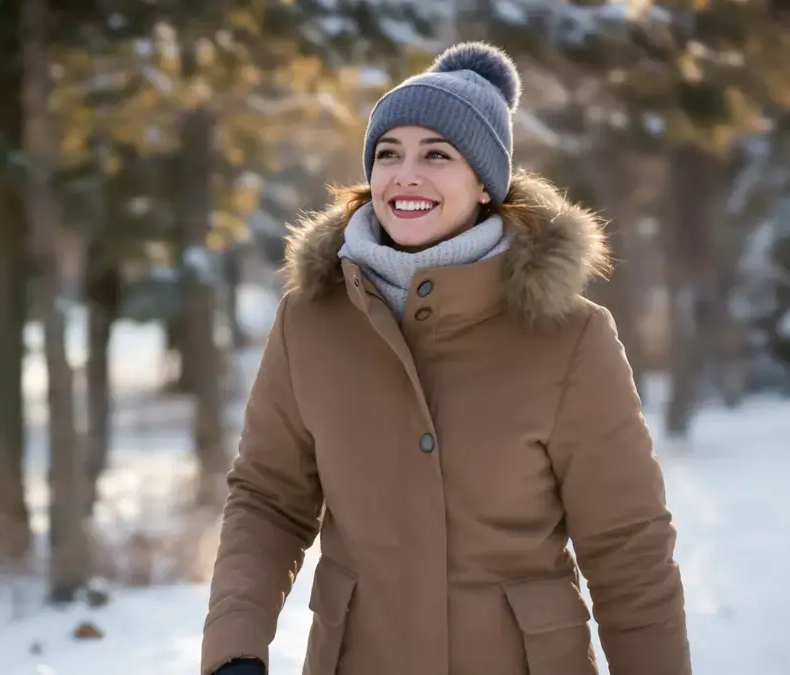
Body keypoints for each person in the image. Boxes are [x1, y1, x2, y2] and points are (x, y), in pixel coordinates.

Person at [199, 41, 691, 675]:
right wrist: (235, 649)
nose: (406, 175)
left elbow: (628, 545)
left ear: (486, 184)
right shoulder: (311, 322)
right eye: (388, 154)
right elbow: (268, 499)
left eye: (437, 155)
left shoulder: (569, 337)